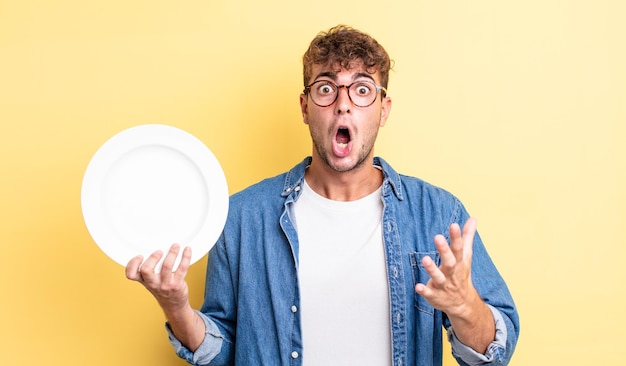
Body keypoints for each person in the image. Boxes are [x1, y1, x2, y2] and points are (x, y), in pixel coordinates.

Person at [126, 25, 520, 366]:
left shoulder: (436, 213)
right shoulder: (243, 218)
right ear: (305, 106)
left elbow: (495, 351)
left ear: (383, 109)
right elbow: (224, 352)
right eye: (327, 88)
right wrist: (176, 307)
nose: (344, 104)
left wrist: (465, 306)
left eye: (362, 90)